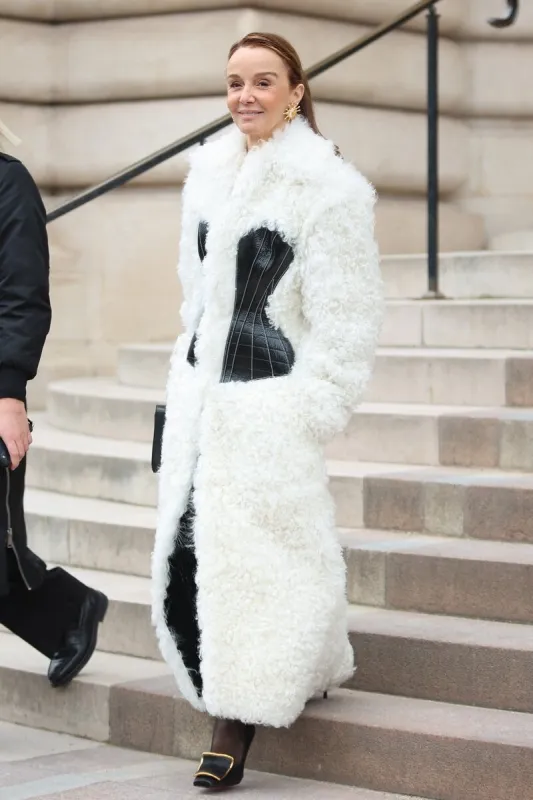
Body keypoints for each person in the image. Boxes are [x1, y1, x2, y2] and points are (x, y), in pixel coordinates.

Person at [151, 32, 383, 790]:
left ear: (296, 90)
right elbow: (197, 302)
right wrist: (182, 385)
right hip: (202, 403)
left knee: (258, 563)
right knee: (196, 557)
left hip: (268, 407)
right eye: (232, 83)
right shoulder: (208, 175)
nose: (244, 96)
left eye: (261, 82)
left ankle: (235, 721)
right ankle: (304, 664)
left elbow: (347, 319)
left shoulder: (328, 190)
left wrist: (308, 409)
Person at [0, 116, 108, 688]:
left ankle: (69, 610)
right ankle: (69, 610)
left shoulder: (7, 183)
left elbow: (22, 297)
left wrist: (8, 393)